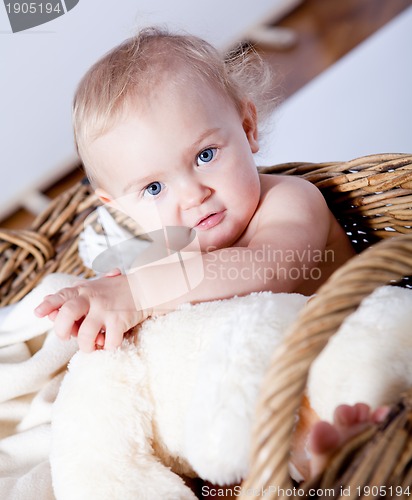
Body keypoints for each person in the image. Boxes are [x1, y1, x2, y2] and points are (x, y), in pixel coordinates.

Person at [34, 27, 376, 483]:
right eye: (154, 188)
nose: (194, 195)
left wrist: (139, 292)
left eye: (205, 154)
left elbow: (263, 268)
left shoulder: (290, 202)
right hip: (245, 400)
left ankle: (326, 455)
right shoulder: (172, 243)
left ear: (248, 128)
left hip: (341, 355)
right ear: (118, 207)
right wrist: (112, 301)